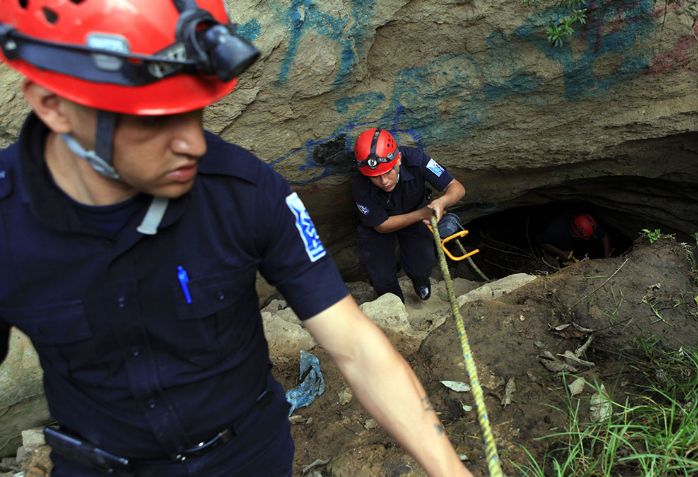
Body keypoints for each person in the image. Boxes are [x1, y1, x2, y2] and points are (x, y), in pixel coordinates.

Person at [0, 1, 471, 476]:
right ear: (53, 105)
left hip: (246, 456)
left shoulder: (245, 192)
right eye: (155, 119)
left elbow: (354, 345)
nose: (193, 144)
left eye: (195, 110)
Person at [351, 128, 466, 302]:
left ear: (398, 160)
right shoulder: (360, 182)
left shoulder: (417, 160)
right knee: (380, 272)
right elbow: (382, 226)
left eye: (388, 172)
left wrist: (442, 202)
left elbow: (457, 188)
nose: (384, 181)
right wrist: (422, 214)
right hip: (380, 226)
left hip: (415, 216)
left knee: (422, 259)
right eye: (375, 177)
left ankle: (420, 281)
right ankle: (394, 301)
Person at [538, 213, 612, 264]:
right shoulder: (557, 230)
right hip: (560, 243)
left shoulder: (588, 225)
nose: (588, 238)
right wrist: (560, 253)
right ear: (576, 235)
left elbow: (604, 236)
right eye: (585, 237)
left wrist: (606, 257)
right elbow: (542, 242)